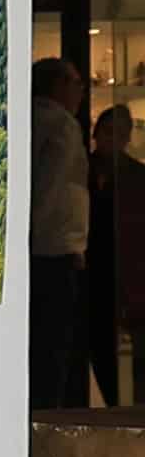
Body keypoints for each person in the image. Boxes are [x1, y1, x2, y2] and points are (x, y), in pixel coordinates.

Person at [39, 58, 92, 409]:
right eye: (75, 83)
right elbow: (55, 190)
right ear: (57, 85)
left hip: (39, 248)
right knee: (54, 350)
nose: (81, 91)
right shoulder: (60, 125)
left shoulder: (28, 118)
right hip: (53, 250)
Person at [100, 100, 140, 404]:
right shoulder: (83, 168)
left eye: (117, 133)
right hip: (94, 274)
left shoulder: (138, 178)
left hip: (132, 277)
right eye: (106, 132)